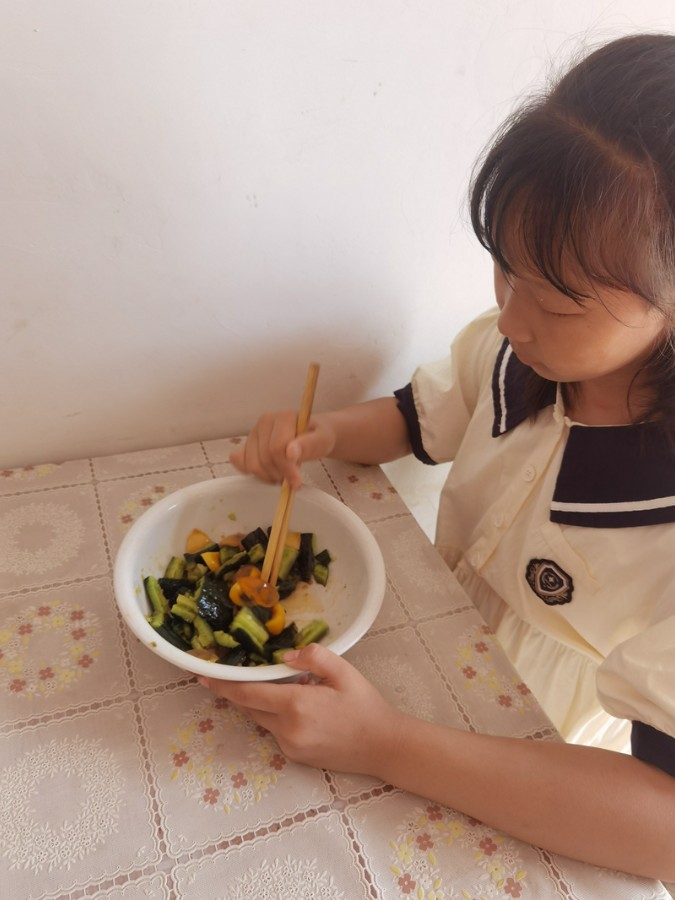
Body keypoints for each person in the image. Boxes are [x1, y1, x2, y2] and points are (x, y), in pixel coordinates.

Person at [198, 33, 675, 881]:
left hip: (549, 764)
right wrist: (325, 434)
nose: (512, 319)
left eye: (558, 304)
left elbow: (659, 825)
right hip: (421, 657)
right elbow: (415, 419)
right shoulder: (512, 353)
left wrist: (383, 745)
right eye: (504, 270)